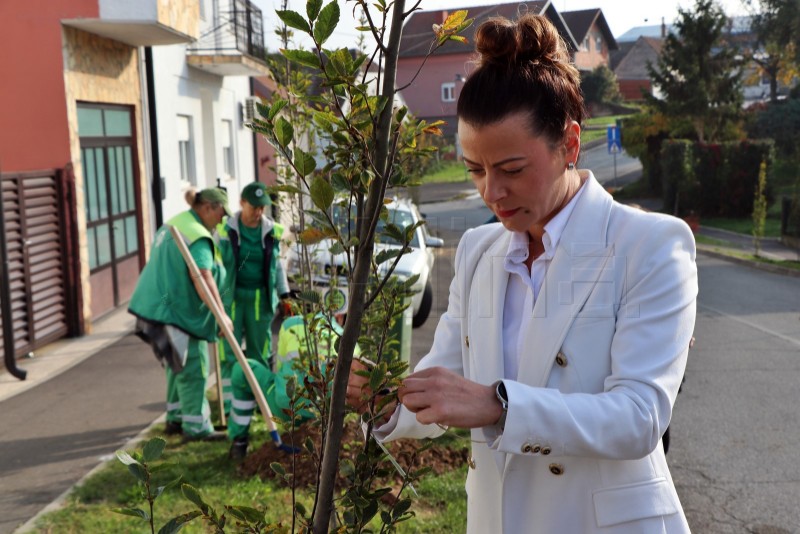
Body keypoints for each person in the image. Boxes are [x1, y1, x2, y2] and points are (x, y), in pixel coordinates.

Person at [347, 14, 697, 533]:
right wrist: (385, 399)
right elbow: (449, 385)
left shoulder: (648, 245)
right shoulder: (478, 249)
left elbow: (639, 418)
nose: (491, 192)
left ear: (570, 144)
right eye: (474, 169)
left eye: (511, 169)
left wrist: (497, 404)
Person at [129, 187, 233, 441]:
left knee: (176, 365)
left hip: (155, 308)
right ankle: (196, 428)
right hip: (175, 313)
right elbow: (202, 277)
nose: (223, 220)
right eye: (221, 213)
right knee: (193, 367)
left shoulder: (176, 223)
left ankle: (175, 419)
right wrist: (221, 315)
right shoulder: (196, 235)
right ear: (208, 207)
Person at [228, 312, 353, 459]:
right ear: (340, 316)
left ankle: (239, 443)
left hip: (287, 408)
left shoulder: (291, 324)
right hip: (329, 415)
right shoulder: (351, 340)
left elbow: (280, 369)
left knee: (241, 370)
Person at [216, 181, 290, 414]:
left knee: (260, 352)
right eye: (254, 207)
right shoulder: (224, 231)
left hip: (260, 299)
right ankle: (230, 404)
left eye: (262, 208)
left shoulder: (272, 231)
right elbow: (215, 266)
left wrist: (285, 293)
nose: (258, 212)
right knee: (229, 351)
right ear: (242, 203)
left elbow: (277, 267)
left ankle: (260, 400)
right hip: (232, 299)